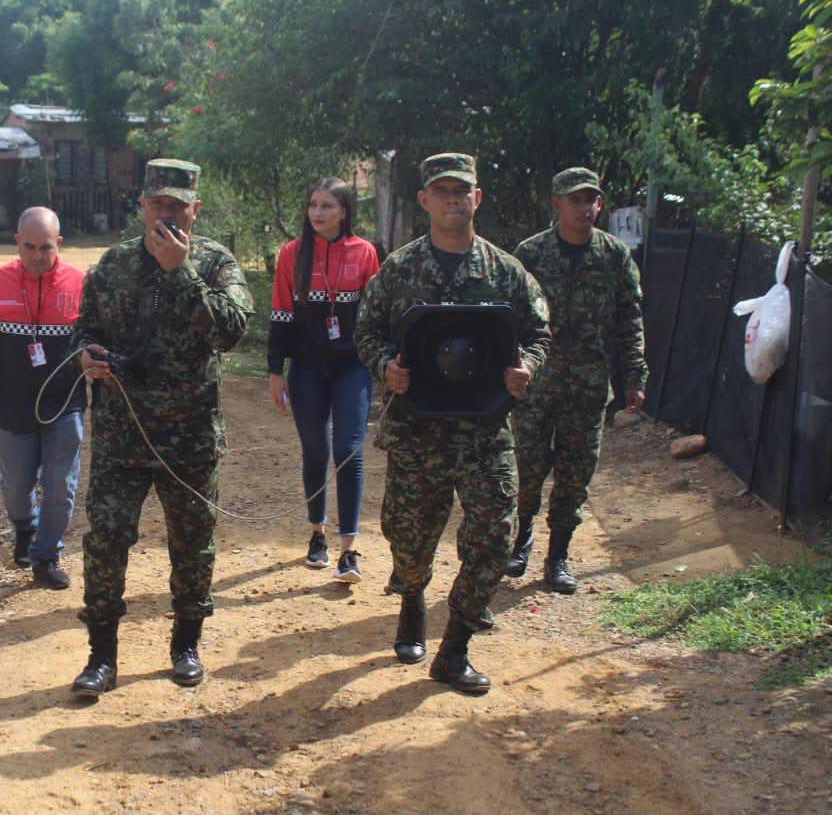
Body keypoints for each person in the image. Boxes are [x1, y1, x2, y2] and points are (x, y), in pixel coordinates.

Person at [354, 152, 550, 694]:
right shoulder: (399, 269)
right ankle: (413, 598)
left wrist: (527, 368)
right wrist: (386, 367)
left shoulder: (505, 271)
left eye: (461, 191)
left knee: (494, 539)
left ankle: (455, 648)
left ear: (476, 198)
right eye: (441, 191)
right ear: (424, 200)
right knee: (409, 541)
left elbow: (538, 333)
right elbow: (366, 332)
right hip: (417, 429)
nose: (452, 200)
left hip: (485, 429)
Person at [68, 158, 254, 698]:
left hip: (190, 438)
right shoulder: (114, 263)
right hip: (121, 436)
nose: (167, 214)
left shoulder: (215, 263)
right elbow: (83, 328)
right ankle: (101, 656)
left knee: (192, 544)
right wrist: (86, 355)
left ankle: (186, 645)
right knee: (106, 541)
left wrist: (182, 272)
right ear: (142, 205)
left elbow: (231, 331)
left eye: (178, 205)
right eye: (158, 204)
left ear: (196, 208)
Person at [508, 167, 646, 593]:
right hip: (536, 384)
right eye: (575, 200)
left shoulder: (614, 255)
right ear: (557, 205)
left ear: (599, 204)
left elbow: (630, 318)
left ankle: (558, 556)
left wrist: (635, 375)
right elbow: (510, 316)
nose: (584, 208)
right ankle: (521, 537)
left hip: (587, 386)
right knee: (527, 468)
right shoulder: (531, 253)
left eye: (591, 200)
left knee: (575, 474)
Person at [0, 207, 86, 590]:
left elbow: (96, 344)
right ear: (16, 242)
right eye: (28, 246)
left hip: (65, 405)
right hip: (14, 406)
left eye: (45, 247)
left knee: (60, 485)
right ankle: (25, 528)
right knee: (16, 485)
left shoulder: (80, 284)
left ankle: (46, 557)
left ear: (59, 243)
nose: (37, 255)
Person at [267, 177, 380, 582]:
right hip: (307, 368)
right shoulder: (292, 253)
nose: (318, 212)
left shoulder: (364, 252)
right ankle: (317, 533)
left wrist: (383, 364)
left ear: (344, 211)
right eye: (313, 204)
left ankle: (348, 551)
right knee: (315, 449)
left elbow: (376, 315)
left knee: (349, 450)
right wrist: (275, 370)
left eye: (327, 205)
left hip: (353, 367)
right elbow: (281, 313)